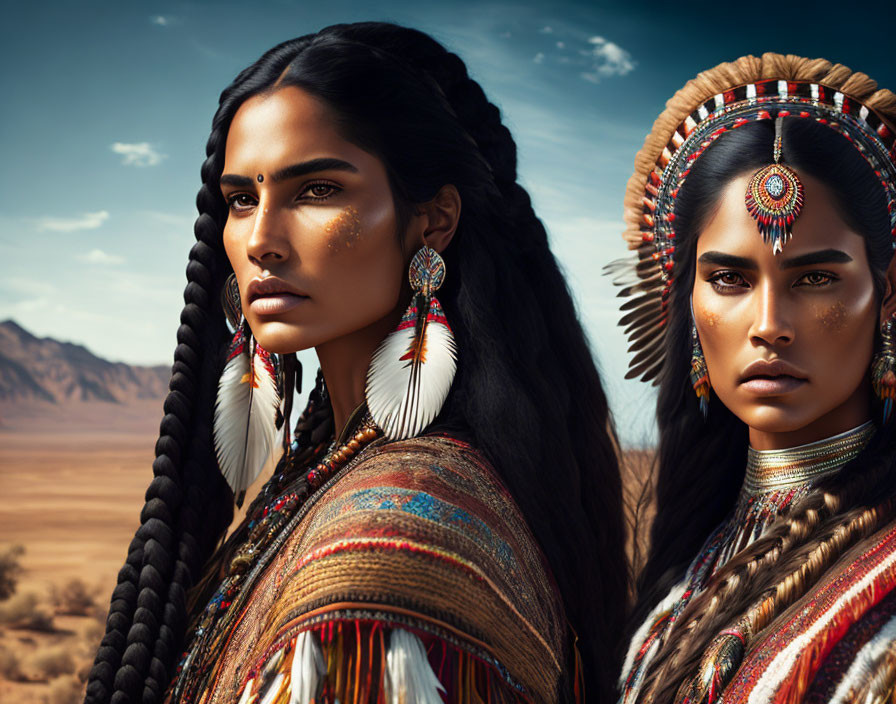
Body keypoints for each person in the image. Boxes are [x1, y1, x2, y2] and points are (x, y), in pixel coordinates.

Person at [84, 22, 627, 704]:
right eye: (242, 200)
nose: (261, 242)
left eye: (316, 191)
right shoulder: (330, 470)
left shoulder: (387, 555)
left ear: (433, 222)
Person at [613, 53, 896, 703]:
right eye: (730, 280)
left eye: (816, 278)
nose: (769, 325)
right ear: (685, 301)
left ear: (888, 295)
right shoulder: (699, 553)